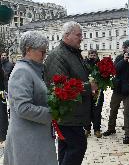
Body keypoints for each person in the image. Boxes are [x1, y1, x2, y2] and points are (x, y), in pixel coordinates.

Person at [44, 22, 98, 165]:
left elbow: (78, 77)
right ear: (67, 35)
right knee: (78, 146)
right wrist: (88, 87)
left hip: (73, 113)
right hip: (67, 114)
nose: (82, 38)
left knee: (66, 148)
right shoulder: (58, 55)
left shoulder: (73, 53)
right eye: (78, 35)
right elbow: (60, 87)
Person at [3, 31, 57, 165]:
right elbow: (23, 108)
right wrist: (53, 113)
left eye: (46, 52)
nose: (44, 56)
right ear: (28, 50)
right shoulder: (22, 71)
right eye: (42, 52)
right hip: (27, 140)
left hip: (35, 137)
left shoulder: (33, 69)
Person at [103, 41, 129, 144]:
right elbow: (114, 70)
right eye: (127, 49)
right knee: (113, 109)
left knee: (127, 111)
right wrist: (124, 61)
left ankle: (128, 135)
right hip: (118, 89)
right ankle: (111, 128)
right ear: (124, 49)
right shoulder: (119, 58)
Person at [84, 49, 103, 138]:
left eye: (94, 55)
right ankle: (87, 129)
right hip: (87, 90)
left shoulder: (100, 64)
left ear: (97, 55)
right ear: (88, 55)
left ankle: (97, 129)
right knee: (87, 110)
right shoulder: (84, 64)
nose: (92, 56)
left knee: (97, 110)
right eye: (91, 54)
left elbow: (104, 75)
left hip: (97, 90)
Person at [0, 60, 8, 143]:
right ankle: (3, 136)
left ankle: (2, 136)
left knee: (2, 115)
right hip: (2, 94)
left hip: (1, 94)